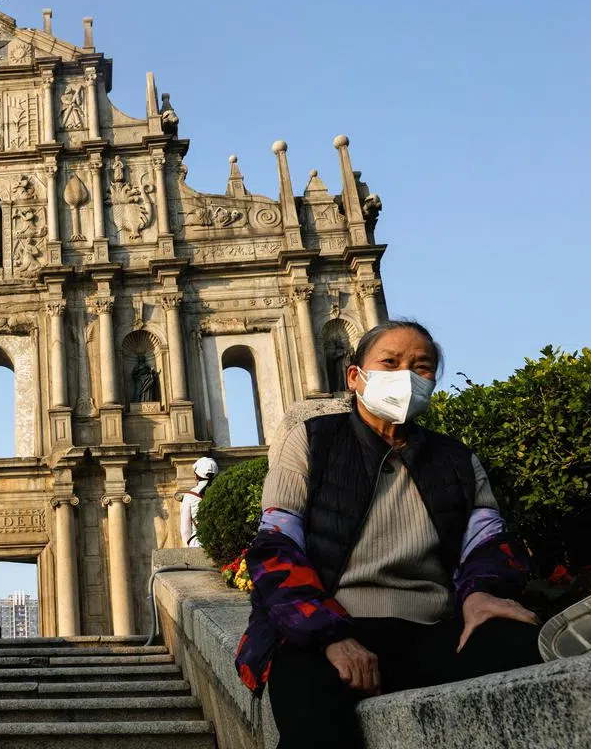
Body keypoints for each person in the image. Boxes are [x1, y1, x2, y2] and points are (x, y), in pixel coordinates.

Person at [234, 321, 541, 749]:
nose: (407, 376)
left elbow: (488, 542)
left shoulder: (456, 459)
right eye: (390, 362)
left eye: (422, 366)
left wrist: (482, 593)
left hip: (433, 626)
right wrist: (331, 635)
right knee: (314, 717)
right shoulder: (312, 442)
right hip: (329, 628)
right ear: (355, 376)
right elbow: (276, 548)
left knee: (525, 650)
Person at [178, 457, 219, 548]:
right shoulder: (222, 491)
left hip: (198, 542)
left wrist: (187, 545)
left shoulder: (189, 496)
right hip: (220, 542)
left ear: (196, 476)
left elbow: (185, 530)